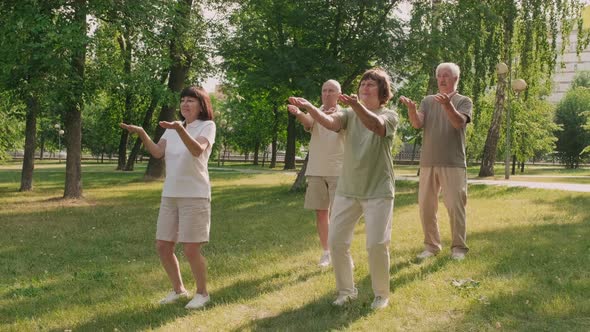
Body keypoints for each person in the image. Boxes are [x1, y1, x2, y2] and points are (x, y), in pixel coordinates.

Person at [289, 68, 398, 310]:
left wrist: (356, 106)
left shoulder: (389, 115)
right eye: (363, 84)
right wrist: (310, 107)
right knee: (336, 241)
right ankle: (346, 291)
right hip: (348, 189)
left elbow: (375, 125)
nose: (365, 87)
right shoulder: (348, 113)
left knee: (376, 244)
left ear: (382, 92)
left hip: (378, 189)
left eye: (371, 84)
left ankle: (381, 294)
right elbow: (329, 123)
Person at [120, 86, 216, 309]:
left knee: (191, 249)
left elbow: (197, 150)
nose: (185, 104)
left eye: (190, 100)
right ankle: (178, 290)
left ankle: (202, 293)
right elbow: (157, 152)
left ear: (201, 105)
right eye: (182, 100)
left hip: (195, 195)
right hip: (170, 194)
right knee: (163, 245)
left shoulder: (207, 126)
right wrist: (142, 132)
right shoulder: (173, 128)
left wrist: (180, 130)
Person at [399, 62, 473, 261]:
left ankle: (458, 248)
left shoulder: (463, 101)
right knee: (426, 206)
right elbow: (417, 124)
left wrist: (447, 105)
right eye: (439, 75)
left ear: (455, 79)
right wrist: (412, 110)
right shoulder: (428, 101)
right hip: (428, 162)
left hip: (453, 162)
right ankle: (431, 246)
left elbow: (458, 123)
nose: (441, 79)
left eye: (446, 75)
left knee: (455, 206)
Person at [287, 79, 345, 267]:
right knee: (321, 213)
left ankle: (343, 253)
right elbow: (309, 122)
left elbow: (329, 123)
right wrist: (298, 114)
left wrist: (309, 109)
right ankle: (327, 252)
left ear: (339, 94)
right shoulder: (316, 110)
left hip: (339, 171)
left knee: (340, 215)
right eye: (324, 90)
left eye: (331, 91)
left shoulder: (345, 114)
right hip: (317, 170)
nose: (327, 94)